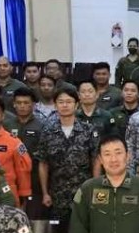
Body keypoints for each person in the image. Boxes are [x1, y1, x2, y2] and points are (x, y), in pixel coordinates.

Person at [34, 86, 101, 219]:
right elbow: (43, 163)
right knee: (59, 230)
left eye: (69, 102)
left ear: (76, 105)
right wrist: (45, 193)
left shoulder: (88, 130)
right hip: (57, 195)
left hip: (83, 192)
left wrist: (95, 189)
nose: (65, 105)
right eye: (61, 102)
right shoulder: (48, 132)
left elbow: (96, 161)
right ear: (55, 105)